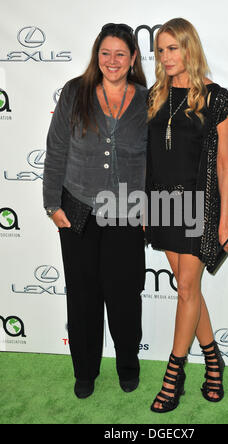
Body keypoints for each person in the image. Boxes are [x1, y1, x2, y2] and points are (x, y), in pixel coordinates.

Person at [43, 23, 148, 399]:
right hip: (77, 210)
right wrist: (52, 203)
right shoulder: (76, 91)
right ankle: (85, 372)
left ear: (133, 58)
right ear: (96, 55)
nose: (113, 60)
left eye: (121, 53)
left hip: (126, 213)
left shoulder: (146, 99)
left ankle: (127, 365)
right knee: (83, 297)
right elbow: (56, 148)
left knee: (124, 296)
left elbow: (152, 160)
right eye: (106, 53)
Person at [145, 18, 228, 412]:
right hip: (163, 206)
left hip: (201, 207)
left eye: (173, 48)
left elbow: (224, 165)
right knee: (189, 290)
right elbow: (148, 158)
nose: (166, 57)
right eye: (161, 50)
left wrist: (225, 222)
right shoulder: (154, 96)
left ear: (189, 48)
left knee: (185, 289)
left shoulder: (217, 99)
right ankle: (213, 359)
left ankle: (174, 376)